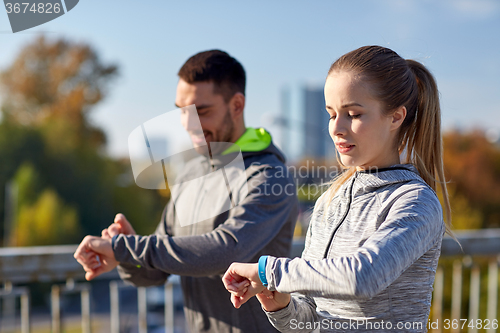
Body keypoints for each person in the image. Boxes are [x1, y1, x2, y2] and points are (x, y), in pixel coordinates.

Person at [223, 45, 453, 333]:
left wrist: (268, 271)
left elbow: (363, 277)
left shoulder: (416, 201)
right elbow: (308, 324)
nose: (336, 128)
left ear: (396, 117)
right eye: (331, 114)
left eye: (353, 114)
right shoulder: (329, 201)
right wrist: (280, 306)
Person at [74, 50, 298, 333]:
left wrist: (127, 248)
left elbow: (226, 250)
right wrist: (127, 256)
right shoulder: (192, 173)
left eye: (201, 111)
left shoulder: (269, 175)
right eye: (181, 110)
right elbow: (154, 274)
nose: (188, 123)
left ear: (237, 105)